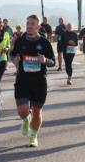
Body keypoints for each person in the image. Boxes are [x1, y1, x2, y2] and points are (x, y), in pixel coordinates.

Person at [9, 14, 56, 147]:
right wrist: (14, 59)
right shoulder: (20, 40)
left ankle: (33, 135)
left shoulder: (44, 43)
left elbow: (53, 62)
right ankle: (25, 119)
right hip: (23, 79)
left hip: (39, 81)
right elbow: (12, 53)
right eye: (28, 23)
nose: (29, 26)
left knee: (37, 111)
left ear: (38, 26)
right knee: (22, 110)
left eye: (32, 24)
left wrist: (45, 60)